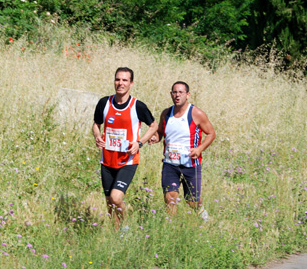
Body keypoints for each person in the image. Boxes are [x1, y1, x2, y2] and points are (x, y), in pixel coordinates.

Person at [92, 67, 158, 229]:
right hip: (107, 160)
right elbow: (96, 124)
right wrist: (97, 136)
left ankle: (126, 225)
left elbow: (153, 125)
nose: (120, 83)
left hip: (127, 161)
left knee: (116, 198)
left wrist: (140, 143)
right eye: (118, 79)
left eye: (124, 80)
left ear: (131, 83)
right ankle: (118, 235)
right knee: (109, 205)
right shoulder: (104, 103)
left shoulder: (138, 106)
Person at [149, 81, 215, 218]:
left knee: (191, 201)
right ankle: (171, 228)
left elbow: (211, 133)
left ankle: (202, 213)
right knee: (170, 198)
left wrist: (200, 148)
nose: (177, 95)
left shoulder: (196, 113)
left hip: (190, 164)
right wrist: (156, 137)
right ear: (171, 94)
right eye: (174, 92)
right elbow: (160, 132)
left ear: (187, 95)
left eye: (181, 92)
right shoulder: (166, 113)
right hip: (170, 163)